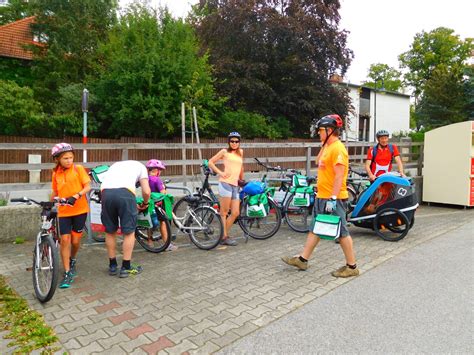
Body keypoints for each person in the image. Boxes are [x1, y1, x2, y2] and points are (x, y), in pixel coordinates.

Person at [282, 115, 359, 278]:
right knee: (316, 228)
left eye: (321, 130)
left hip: (334, 198)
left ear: (329, 131)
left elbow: (339, 176)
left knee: (342, 232)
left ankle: (352, 267)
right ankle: (303, 259)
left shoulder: (338, 149)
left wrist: (332, 197)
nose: (318, 133)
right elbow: (318, 162)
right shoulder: (329, 147)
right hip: (322, 195)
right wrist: (324, 144)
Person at [100, 160, 151, 278]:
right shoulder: (142, 167)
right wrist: (145, 203)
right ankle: (126, 267)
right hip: (125, 194)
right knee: (129, 232)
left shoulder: (115, 165)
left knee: (110, 231)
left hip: (106, 193)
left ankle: (112, 266)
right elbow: (146, 191)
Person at [51, 143, 91, 289]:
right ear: (57, 159)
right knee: (65, 239)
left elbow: (88, 186)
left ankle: (73, 258)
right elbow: (55, 192)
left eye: (71, 157)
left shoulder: (78, 168)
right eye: (65, 158)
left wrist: (77, 195)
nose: (69, 160)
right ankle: (67, 272)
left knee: (75, 241)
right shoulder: (56, 173)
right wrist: (48, 205)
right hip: (64, 212)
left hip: (80, 210)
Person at [208, 132, 244, 246]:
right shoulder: (224, 152)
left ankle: (223, 235)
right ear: (229, 142)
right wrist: (220, 173)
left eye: (236, 141)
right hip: (225, 183)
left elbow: (241, 167)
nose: (234, 143)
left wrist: (241, 180)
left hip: (235, 184)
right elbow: (210, 162)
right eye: (232, 141)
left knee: (235, 212)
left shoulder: (240, 152)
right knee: (223, 212)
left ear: (239, 142)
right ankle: (224, 237)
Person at [146, 159, 177, 251]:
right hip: (158, 205)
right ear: (156, 170)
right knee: (163, 223)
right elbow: (163, 194)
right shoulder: (157, 180)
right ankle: (166, 244)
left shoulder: (146, 179)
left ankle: (150, 241)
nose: (160, 173)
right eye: (160, 171)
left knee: (149, 222)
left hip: (149, 203)